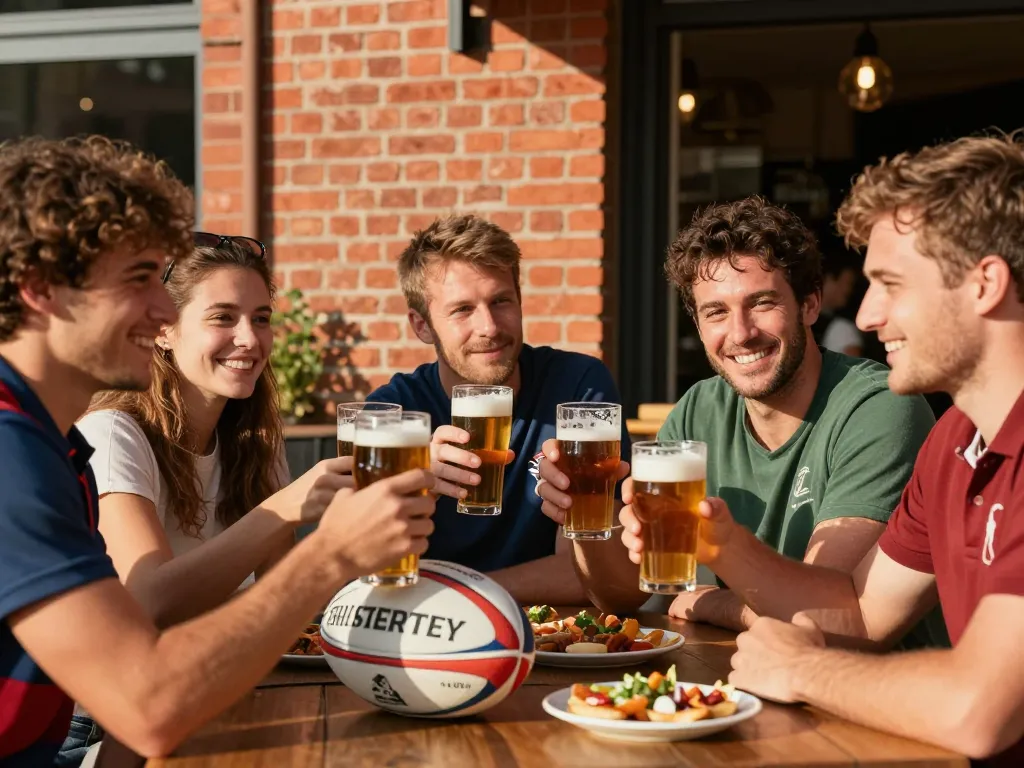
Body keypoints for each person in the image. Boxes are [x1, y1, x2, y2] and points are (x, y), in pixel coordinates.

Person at [0, 135, 435, 765]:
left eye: (260, 317)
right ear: (43, 289)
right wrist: (333, 552)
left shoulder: (53, 443)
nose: (159, 308)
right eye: (140, 279)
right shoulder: (16, 454)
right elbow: (145, 702)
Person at [676, 135, 1024, 765]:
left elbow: (983, 710)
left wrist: (803, 670)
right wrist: (718, 545)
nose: (865, 315)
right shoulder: (955, 441)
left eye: (890, 283)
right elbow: (860, 619)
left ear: (984, 284)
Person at [537, 196, 942, 649]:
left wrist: (714, 602)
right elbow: (621, 596)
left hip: (873, 697)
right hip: (744, 679)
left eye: (762, 302)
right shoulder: (697, 410)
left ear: (810, 305)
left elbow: (832, 620)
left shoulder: (879, 406)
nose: (741, 332)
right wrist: (583, 515)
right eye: (716, 312)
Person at [57, 237, 355, 765]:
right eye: (223, 316)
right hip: (101, 726)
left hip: (220, 690)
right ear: (165, 331)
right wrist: (283, 508)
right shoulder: (112, 433)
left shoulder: (252, 442)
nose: (249, 338)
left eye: (260, 318)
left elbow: (292, 606)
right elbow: (148, 601)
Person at [366, 213, 629, 605]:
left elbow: (587, 576)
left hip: (550, 641)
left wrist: (458, 593)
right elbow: (359, 575)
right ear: (422, 326)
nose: (489, 326)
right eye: (462, 310)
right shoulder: (392, 414)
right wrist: (410, 488)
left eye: (501, 301)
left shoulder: (577, 387)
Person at [815, 252, 864, 356]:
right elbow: (853, 371)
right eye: (848, 283)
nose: (849, 290)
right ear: (828, 279)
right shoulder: (844, 330)